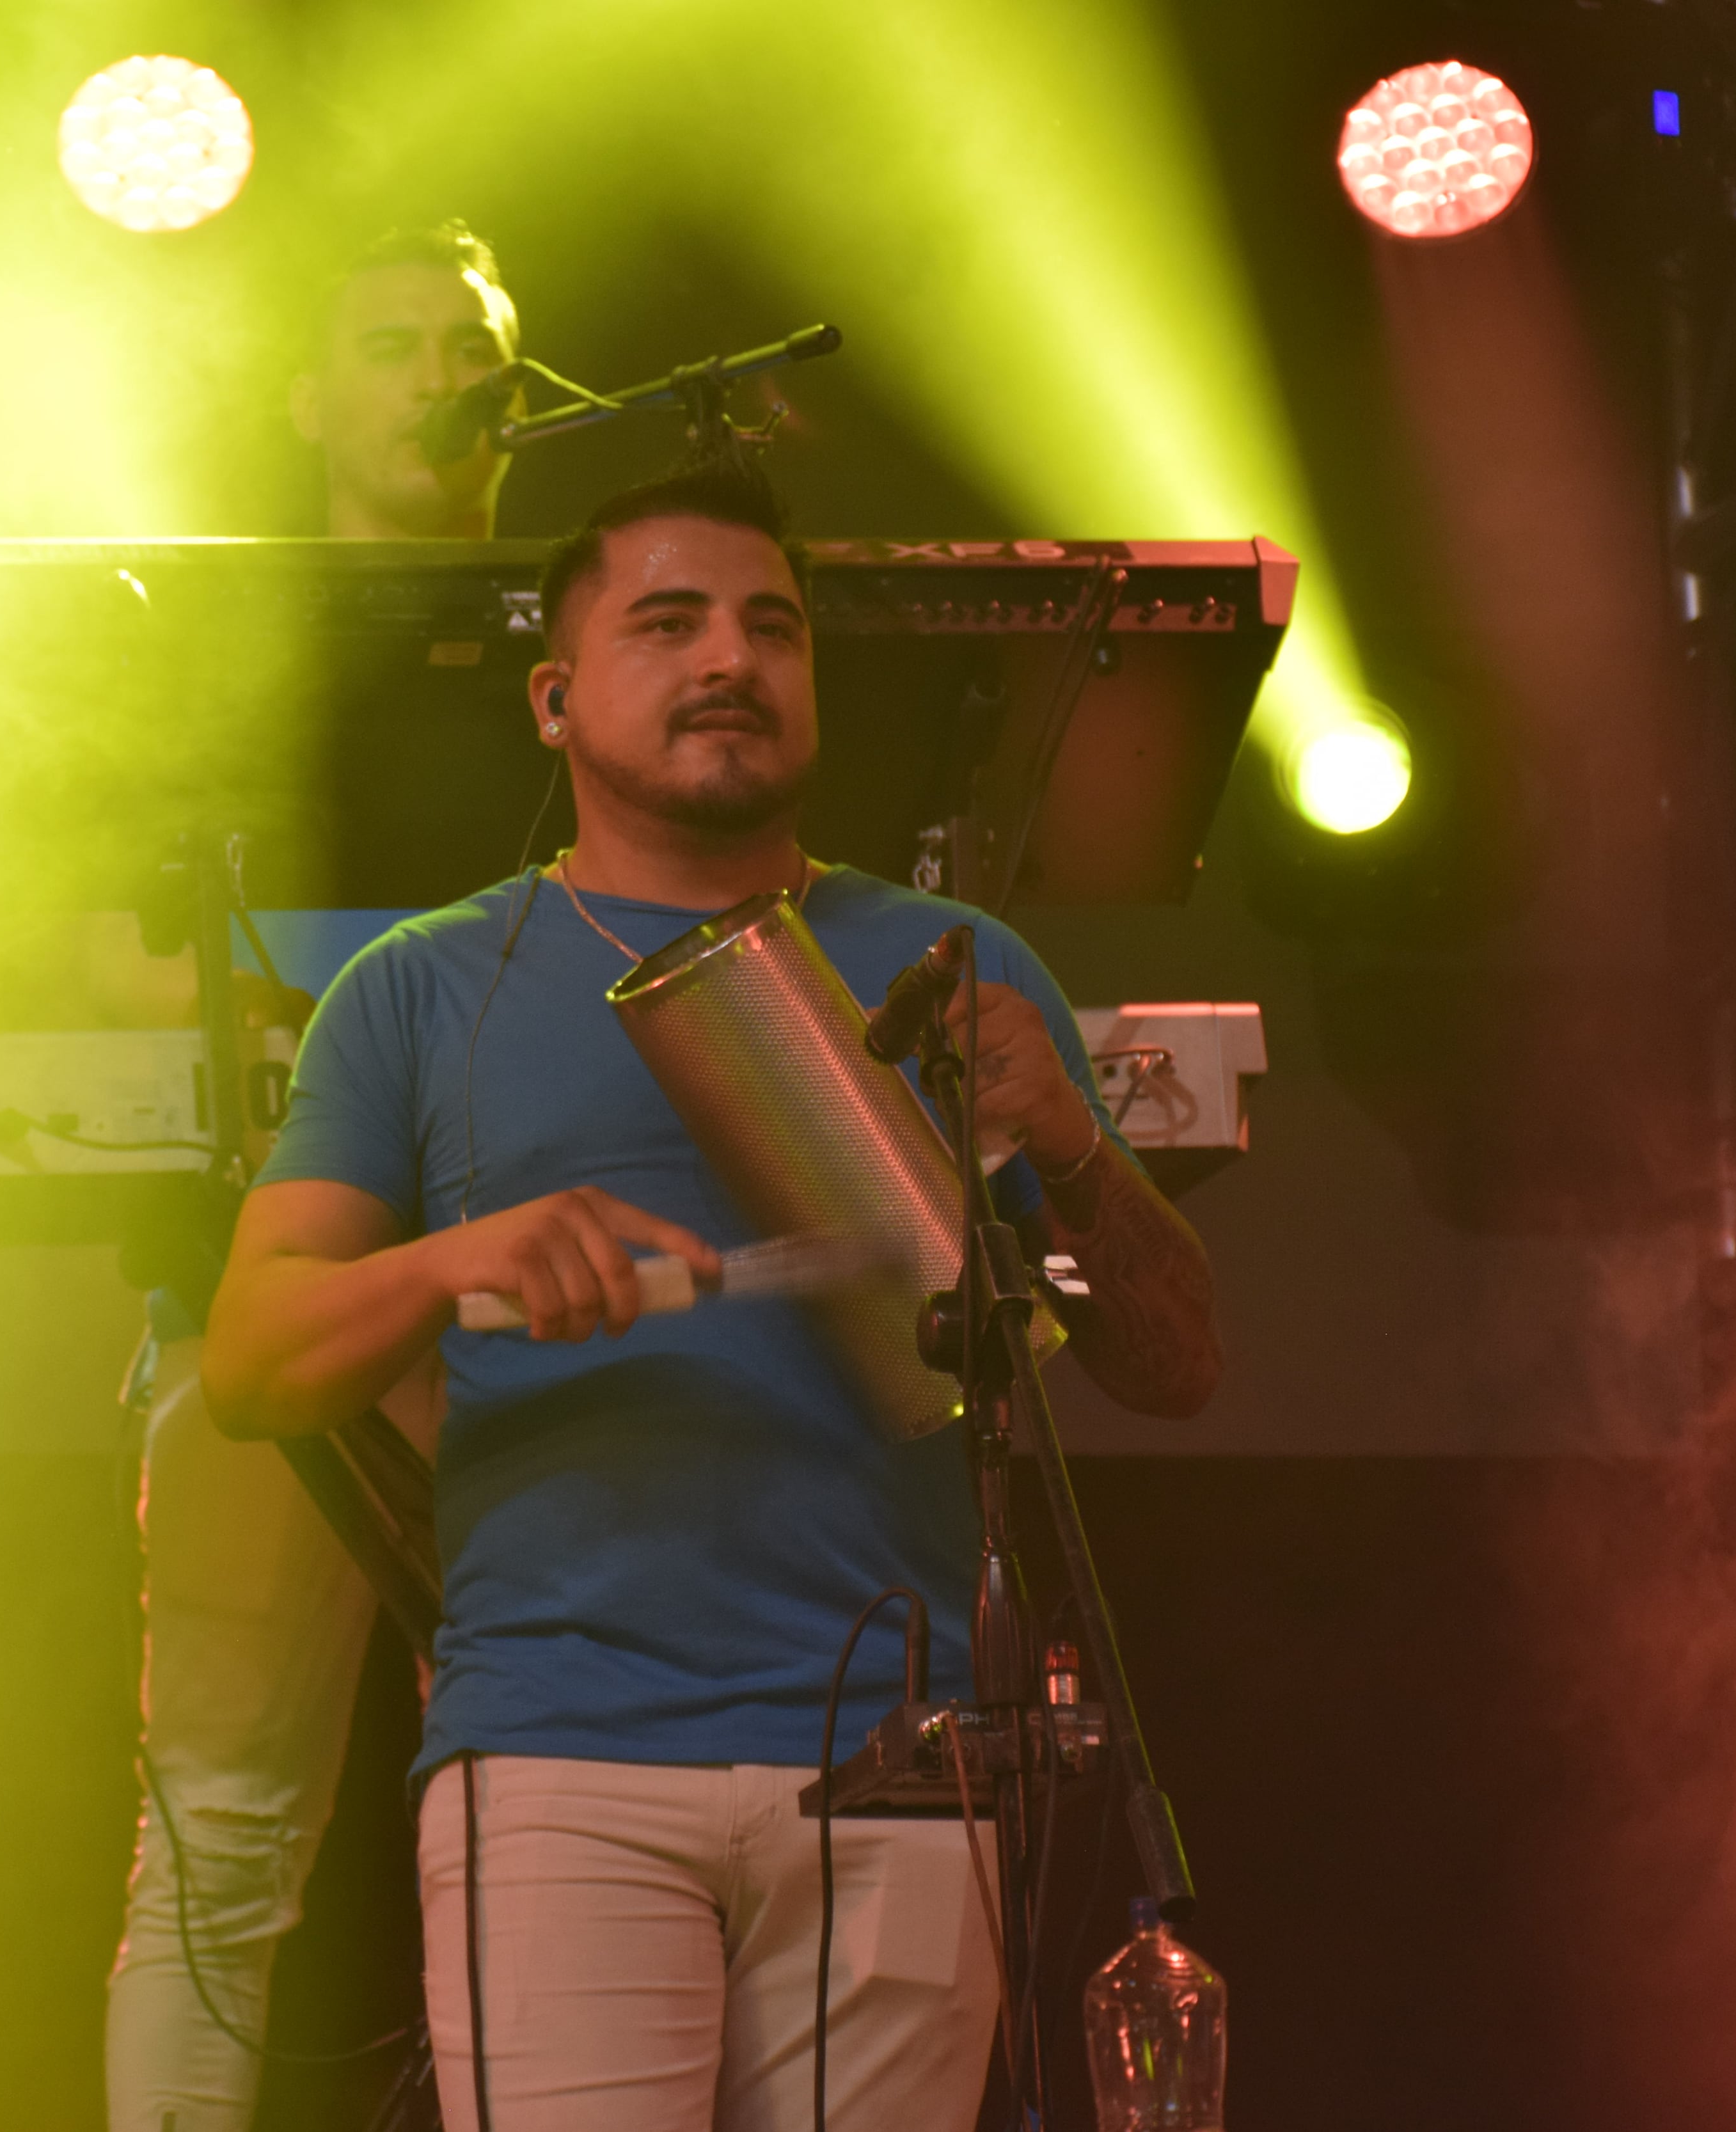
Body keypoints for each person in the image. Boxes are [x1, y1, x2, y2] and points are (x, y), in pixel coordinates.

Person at [196, 455, 1222, 2130]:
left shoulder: (953, 961)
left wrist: (1071, 1148)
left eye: (771, 627)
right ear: (554, 696)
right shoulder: (417, 990)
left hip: (907, 1770)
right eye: (667, 624)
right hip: (561, 1762)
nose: (729, 659)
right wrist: (455, 1259)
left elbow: (1177, 1363)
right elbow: (252, 1363)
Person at [102, 222, 521, 2132]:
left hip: (534, 1288)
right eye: (389, 341)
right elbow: (72, 947)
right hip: (269, 1268)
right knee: (223, 1818)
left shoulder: (578, 662)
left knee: (556, 1806)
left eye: (468, 342)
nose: (436, 372)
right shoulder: (199, 641)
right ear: (307, 396)